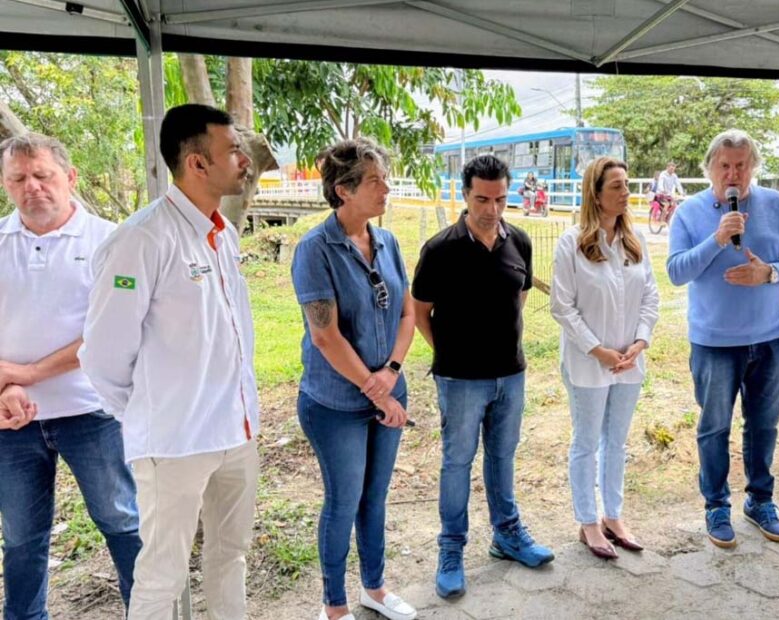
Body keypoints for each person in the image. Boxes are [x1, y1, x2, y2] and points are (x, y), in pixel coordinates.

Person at [80, 104, 260, 620]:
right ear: (197, 164)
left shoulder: (221, 231)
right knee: (163, 574)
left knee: (231, 556)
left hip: (237, 430)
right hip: (175, 442)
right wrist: (149, 414)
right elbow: (103, 356)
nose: (243, 159)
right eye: (232, 150)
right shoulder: (142, 239)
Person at [0, 132, 142, 619]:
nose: (32, 187)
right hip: (12, 422)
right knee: (20, 538)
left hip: (92, 410)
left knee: (122, 521)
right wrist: (9, 383)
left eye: (43, 175)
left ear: (70, 178)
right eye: (18, 178)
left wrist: (28, 372)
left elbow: (111, 329)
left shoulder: (110, 241)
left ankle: (146, 612)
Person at [412, 154, 554, 601]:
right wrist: (450, 353)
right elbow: (418, 312)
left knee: (502, 456)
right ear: (464, 195)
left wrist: (499, 350)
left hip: (510, 375)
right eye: (481, 199)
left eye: (500, 198)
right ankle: (451, 548)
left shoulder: (521, 242)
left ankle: (507, 535)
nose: (491, 208)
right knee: (457, 463)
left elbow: (521, 297)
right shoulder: (439, 249)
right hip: (459, 380)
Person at [290, 138, 418, 620]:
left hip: (387, 390)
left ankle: (375, 588)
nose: (386, 187)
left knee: (375, 498)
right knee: (343, 500)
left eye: (385, 177)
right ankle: (335, 604)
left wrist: (391, 373)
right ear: (342, 191)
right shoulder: (315, 249)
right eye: (374, 180)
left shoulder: (388, 242)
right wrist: (376, 389)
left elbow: (406, 312)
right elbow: (325, 336)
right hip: (334, 403)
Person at [666, 129, 779, 548]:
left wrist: (770, 272)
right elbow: (676, 273)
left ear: (753, 167)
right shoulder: (690, 212)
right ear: (708, 167)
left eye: (742, 164)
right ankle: (716, 505)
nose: (733, 173)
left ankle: (760, 501)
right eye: (724, 165)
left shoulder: (776, 205)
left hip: (771, 340)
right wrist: (716, 239)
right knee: (714, 427)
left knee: (764, 425)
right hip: (713, 343)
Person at [550, 157, 659, 559]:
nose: (626, 192)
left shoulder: (636, 241)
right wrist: (598, 350)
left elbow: (651, 296)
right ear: (595, 193)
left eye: (627, 184)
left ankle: (614, 516)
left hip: (629, 364)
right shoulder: (572, 242)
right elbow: (562, 307)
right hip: (587, 364)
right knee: (586, 442)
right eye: (616, 186)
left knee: (616, 442)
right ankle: (588, 521)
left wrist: (639, 343)